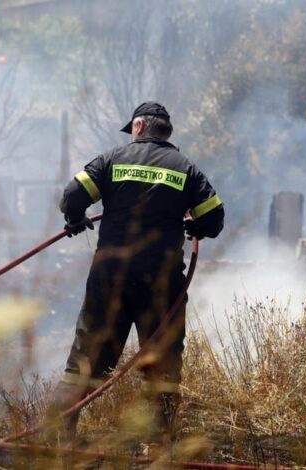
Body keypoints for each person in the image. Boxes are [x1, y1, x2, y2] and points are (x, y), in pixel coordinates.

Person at [50, 102, 224, 447]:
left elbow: (71, 196)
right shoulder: (186, 169)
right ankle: (157, 444)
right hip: (162, 283)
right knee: (162, 363)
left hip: (109, 279)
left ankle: (58, 437)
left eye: (131, 128)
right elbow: (214, 220)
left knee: (87, 358)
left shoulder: (111, 160)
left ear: (139, 126)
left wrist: (76, 219)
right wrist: (194, 226)